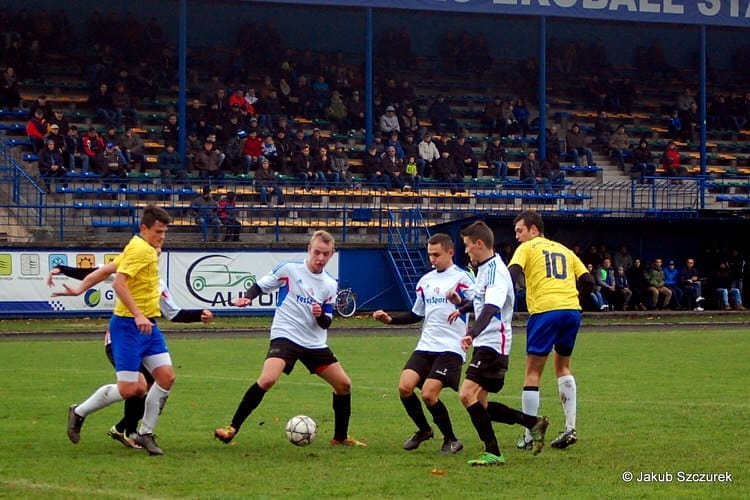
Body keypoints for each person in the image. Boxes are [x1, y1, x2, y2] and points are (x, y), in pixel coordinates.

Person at [214, 231, 366, 447]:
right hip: (286, 335)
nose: (320, 258)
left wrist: (320, 314)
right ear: (309, 250)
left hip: (314, 342)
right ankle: (232, 428)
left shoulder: (330, 284)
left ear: (332, 254)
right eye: (316, 252)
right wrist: (247, 298)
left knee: (344, 385)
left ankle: (339, 438)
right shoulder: (290, 269)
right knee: (267, 379)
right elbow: (261, 285)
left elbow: (327, 322)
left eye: (325, 254)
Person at [51, 259, 213, 449]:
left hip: (145, 339)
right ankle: (82, 412)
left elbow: (173, 313)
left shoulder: (158, 283)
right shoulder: (126, 271)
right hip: (120, 340)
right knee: (137, 387)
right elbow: (95, 272)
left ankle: (131, 431)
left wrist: (199, 315)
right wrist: (63, 269)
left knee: (154, 383)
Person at [67, 205, 174, 455]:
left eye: (165, 232)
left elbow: (108, 269)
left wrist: (81, 288)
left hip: (148, 324)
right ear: (144, 229)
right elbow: (118, 282)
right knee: (131, 389)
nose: (162, 237)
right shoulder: (140, 250)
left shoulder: (140, 246)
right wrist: (137, 314)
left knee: (166, 376)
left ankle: (144, 432)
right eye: (158, 232)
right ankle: (79, 411)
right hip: (128, 325)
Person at [445, 220, 549, 466]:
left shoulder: (495, 271)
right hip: (487, 342)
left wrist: (471, 331)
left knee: (466, 394)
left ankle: (493, 451)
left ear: (479, 244)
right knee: (481, 404)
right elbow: (483, 301)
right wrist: (462, 304)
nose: (467, 251)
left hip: (493, 343)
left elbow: (492, 307)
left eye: (468, 246)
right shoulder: (486, 268)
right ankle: (533, 423)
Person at [372, 234, 474, 454]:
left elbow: (478, 305)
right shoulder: (425, 281)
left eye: (436, 255)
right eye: (430, 255)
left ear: (450, 252)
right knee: (404, 387)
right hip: (426, 345)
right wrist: (390, 320)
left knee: (429, 394)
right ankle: (424, 430)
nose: (432, 259)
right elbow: (416, 314)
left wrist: (461, 302)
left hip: (451, 347)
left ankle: (451, 439)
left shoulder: (462, 278)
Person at [507, 210, 594, 450]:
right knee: (563, 366)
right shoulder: (565, 250)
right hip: (571, 311)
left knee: (533, 372)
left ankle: (528, 434)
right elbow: (588, 282)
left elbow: (511, 275)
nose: (517, 237)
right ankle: (570, 428)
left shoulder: (528, 248)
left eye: (520, 230)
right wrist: (575, 301)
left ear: (533, 230)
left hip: (545, 311)